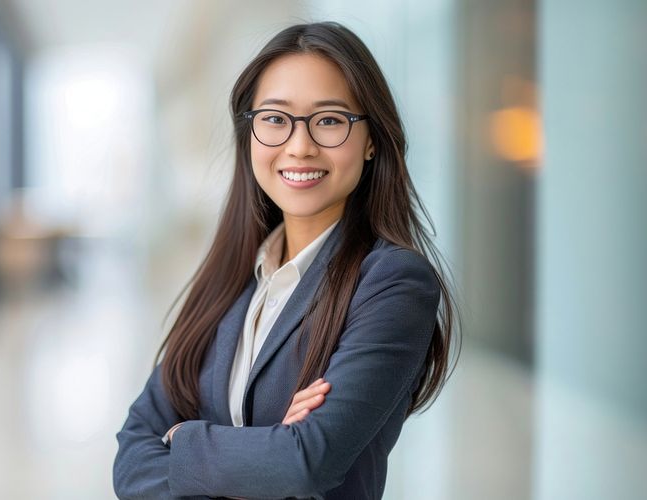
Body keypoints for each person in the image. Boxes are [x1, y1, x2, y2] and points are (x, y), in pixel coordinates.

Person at [113, 21, 457, 500]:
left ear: (372, 140)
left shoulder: (393, 283)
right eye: (275, 119)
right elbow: (130, 457)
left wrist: (179, 440)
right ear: (250, 133)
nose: (299, 146)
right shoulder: (231, 280)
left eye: (330, 120)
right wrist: (262, 451)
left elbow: (305, 462)